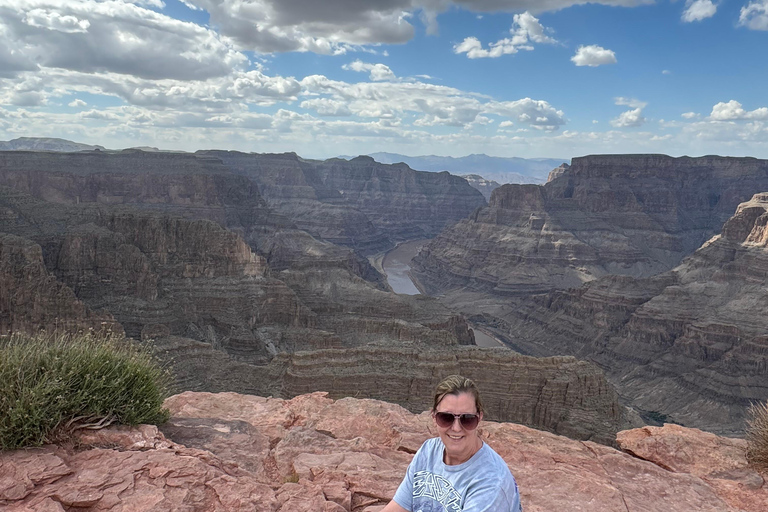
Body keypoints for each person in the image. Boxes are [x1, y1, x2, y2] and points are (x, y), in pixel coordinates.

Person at [382, 375, 522, 512]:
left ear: (479, 418)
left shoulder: (491, 482)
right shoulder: (428, 451)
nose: (456, 428)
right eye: (446, 418)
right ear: (433, 416)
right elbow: (399, 506)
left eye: (467, 418)